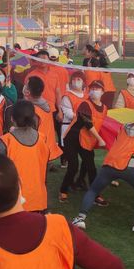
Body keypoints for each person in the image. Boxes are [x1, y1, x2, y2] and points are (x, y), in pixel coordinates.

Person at [72, 109, 134, 233]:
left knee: (93, 190)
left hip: (110, 164)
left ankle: (80, 218)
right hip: (129, 169)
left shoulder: (126, 126)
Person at [0, 101, 53, 212]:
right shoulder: (42, 139)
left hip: (14, 201)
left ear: (12, 118)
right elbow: (45, 168)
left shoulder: (6, 141)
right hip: (38, 199)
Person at [58, 72, 88, 201]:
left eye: (79, 79)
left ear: (84, 81)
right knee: (73, 164)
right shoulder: (67, 96)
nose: (76, 81)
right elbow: (70, 115)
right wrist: (87, 118)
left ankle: (79, 181)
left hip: (83, 133)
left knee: (88, 161)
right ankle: (63, 189)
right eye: (74, 79)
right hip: (69, 132)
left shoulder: (87, 95)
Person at [77, 82, 109, 191]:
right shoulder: (85, 104)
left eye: (97, 88)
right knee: (91, 167)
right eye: (92, 88)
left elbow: (104, 124)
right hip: (80, 138)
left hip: (91, 139)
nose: (94, 90)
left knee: (86, 162)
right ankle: (95, 193)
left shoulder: (104, 108)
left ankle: (79, 181)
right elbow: (88, 124)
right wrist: (100, 139)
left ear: (103, 92)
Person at [23, 75, 62, 161]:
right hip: (46, 149)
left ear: (28, 92)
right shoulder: (45, 104)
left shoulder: (33, 111)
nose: (24, 87)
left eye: (26, 85)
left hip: (37, 151)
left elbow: (29, 133)